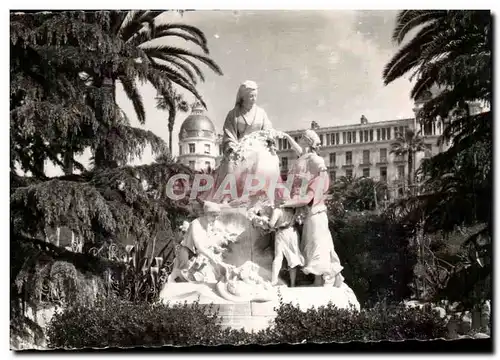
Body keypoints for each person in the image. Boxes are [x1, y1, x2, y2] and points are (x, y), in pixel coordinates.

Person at [277, 129, 344, 287]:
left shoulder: (314, 166)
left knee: (315, 245)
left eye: (302, 137)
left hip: (315, 214)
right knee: (315, 245)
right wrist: (286, 136)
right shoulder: (305, 157)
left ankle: (319, 280)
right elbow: (298, 150)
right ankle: (330, 278)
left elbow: (307, 196)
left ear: (307, 141)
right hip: (312, 214)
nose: (299, 139)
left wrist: (285, 203)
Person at [206, 80, 278, 203]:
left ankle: (259, 194)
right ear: (243, 97)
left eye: (255, 96)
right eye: (251, 96)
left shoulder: (261, 113)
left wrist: (270, 139)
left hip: (258, 147)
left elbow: (268, 130)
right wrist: (232, 146)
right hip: (239, 147)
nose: (254, 99)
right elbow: (229, 134)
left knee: (266, 160)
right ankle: (228, 194)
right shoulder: (233, 114)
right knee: (231, 162)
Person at [167, 201, 228, 283]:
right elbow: (199, 245)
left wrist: (217, 247)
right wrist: (212, 257)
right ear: (207, 214)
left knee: (206, 276)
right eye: (214, 216)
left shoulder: (209, 224)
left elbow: (207, 241)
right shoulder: (196, 224)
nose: (215, 219)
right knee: (182, 278)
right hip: (188, 253)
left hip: (199, 254)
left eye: (217, 216)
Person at [268, 206, 304, 287]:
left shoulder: (277, 210)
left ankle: (274, 281)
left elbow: (271, 224)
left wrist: (264, 220)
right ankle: (292, 284)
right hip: (292, 232)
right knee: (293, 258)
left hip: (281, 233)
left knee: (278, 257)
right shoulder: (294, 208)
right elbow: (300, 220)